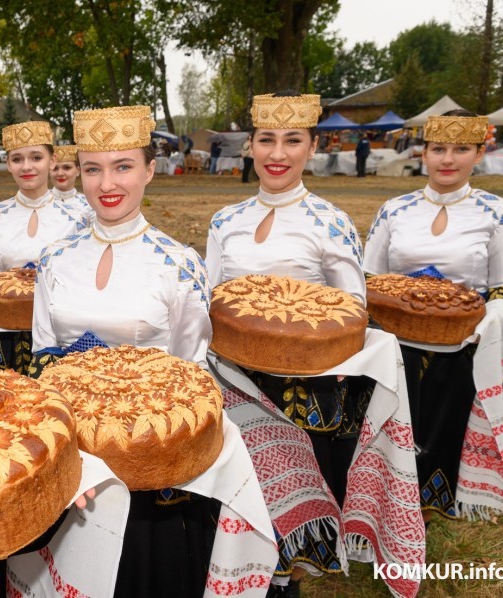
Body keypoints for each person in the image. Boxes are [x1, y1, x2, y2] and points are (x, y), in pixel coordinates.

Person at [31, 106, 220, 598]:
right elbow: (42, 355)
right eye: (93, 168)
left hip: (149, 458)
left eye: (123, 166)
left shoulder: (180, 264)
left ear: (150, 170)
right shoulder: (54, 258)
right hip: (74, 455)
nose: (107, 183)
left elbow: (191, 372)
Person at [206, 92, 370, 596]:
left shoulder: (330, 221)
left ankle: (288, 571)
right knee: (239, 485)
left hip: (303, 384)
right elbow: (208, 299)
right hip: (232, 379)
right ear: (249, 147)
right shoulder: (224, 221)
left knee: (294, 491)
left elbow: (353, 309)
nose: (278, 153)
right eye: (267, 140)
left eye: (292, 140)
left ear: (312, 147)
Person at [363, 110, 503, 523]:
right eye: (438, 149)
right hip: (397, 347)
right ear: (424, 152)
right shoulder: (394, 209)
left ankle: (446, 496)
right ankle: (386, 500)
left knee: (447, 425)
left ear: (479, 153)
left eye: (461, 149)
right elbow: (367, 275)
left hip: (464, 348)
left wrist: (494, 315)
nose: (447, 160)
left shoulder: (497, 210)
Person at [0, 121, 88, 373]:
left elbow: (81, 280)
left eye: (36, 157)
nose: (26, 166)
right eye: (17, 159)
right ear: (8, 163)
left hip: (60, 336)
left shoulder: (78, 216)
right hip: (5, 335)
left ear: (52, 160)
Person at [50, 143, 92, 216]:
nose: (60, 173)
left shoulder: (89, 204)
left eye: (67, 168)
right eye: (55, 168)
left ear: (78, 170)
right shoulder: (38, 203)